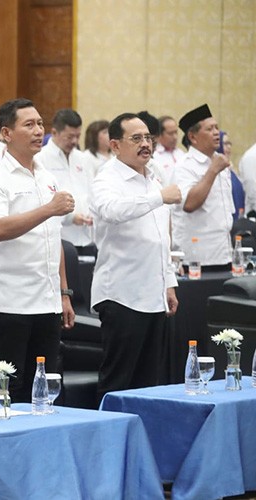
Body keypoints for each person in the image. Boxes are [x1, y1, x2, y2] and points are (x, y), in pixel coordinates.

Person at [0, 98, 75, 404]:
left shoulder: (46, 175)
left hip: (47, 298)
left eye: (40, 124)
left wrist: (64, 291)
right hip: (11, 300)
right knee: (8, 386)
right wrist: (48, 209)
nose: (38, 131)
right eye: (28, 125)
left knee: (45, 385)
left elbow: (52, 237)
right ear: (6, 133)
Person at [90, 113, 180, 399]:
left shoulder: (153, 178)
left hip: (153, 294)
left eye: (148, 138)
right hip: (121, 294)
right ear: (115, 145)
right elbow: (112, 211)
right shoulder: (107, 178)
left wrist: (169, 280)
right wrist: (159, 198)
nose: (146, 144)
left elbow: (160, 237)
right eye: (137, 138)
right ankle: (111, 440)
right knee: (119, 380)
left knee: (148, 382)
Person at [171, 104, 233, 269]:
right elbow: (189, 204)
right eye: (209, 129)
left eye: (217, 128)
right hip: (197, 257)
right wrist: (212, 170)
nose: (216, 133)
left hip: (224, 253)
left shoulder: (220, 160)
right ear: (192, 137)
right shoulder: (184, 166)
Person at [36, 109, 95, 255]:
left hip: (87, 237)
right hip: (59, 239)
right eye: (69, 137)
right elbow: (42, 200)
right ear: (55, 133)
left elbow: (92, 192)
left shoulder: (83, 159)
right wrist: (70, 218)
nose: (74, 141)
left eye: (77, 136)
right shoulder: (40, 159)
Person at [153, 115, 186, 182]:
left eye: (176, 132)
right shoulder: (154, 156)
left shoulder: (181, 153)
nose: (175, 137)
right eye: (170, 133)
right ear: (159, 134)